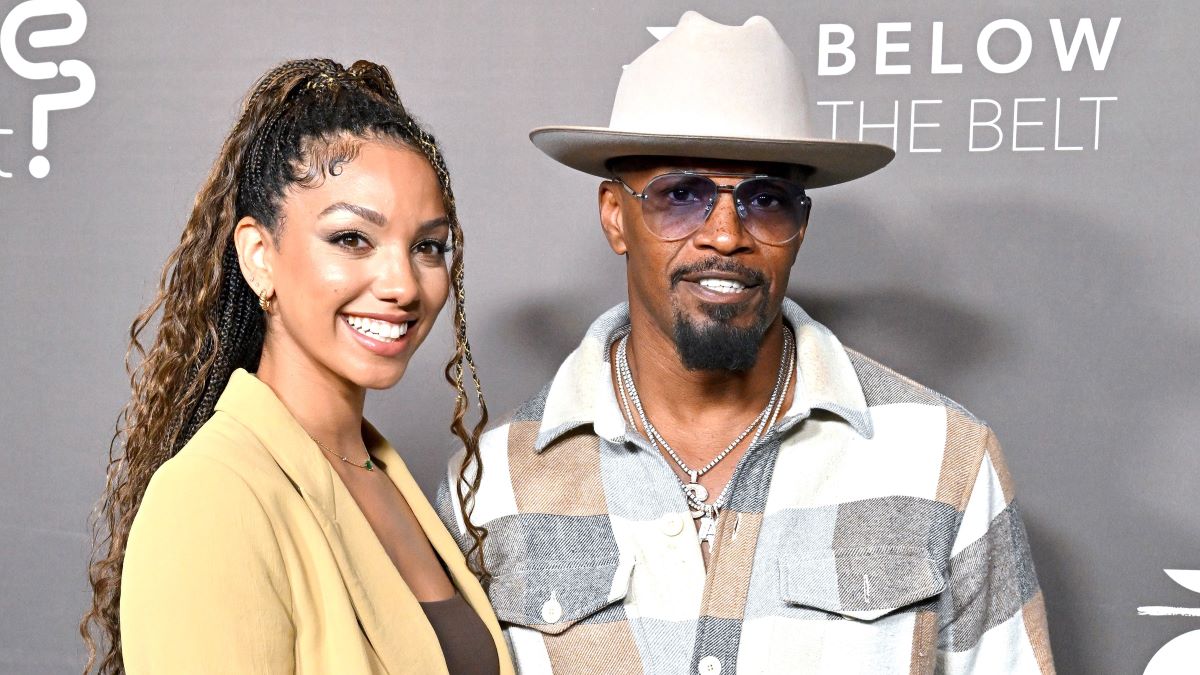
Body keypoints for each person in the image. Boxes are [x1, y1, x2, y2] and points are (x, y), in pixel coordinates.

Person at [437, 12, 1054, 674]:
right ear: (616, 216)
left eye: (765, 200)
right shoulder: (491, 484)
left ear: (801, 223)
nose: (727, 235)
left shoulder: (943, 458)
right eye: (681, 195)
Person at [80, 59, 511, 675]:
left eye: (427, 247)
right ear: (260, 256)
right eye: (352, 239)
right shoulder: (212, 497)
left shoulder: (386, 478)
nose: (403, 284)